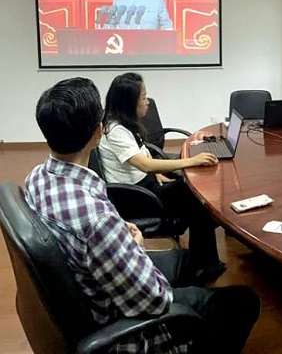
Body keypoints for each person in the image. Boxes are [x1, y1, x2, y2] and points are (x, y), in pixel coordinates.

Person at [25, 77, 260, 352]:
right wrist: (134, 245)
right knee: (243, 301)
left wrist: (118, 228)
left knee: (188, 261)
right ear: (98, 131)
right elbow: (155, 300)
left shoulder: (36, 178)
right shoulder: (97, 221)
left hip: (86, 291)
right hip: (122, 328)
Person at [99, 72, 225, 281]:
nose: (147, 102)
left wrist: (158, 173)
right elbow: (144, 164)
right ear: (129, 103)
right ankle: (203, 264)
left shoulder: (125, 124)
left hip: (144, 185)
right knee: (196, 199)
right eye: (143, 98)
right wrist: (190, 161)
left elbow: (142, 154)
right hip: (136, 197)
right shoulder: (116, 130)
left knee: (192, 194)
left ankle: (204, 260)